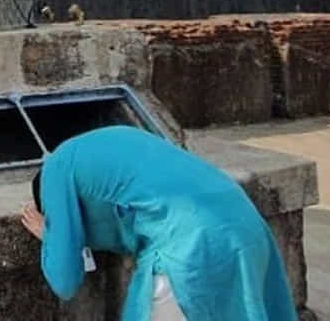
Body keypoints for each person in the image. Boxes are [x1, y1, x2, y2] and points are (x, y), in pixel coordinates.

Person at [19, 125, 298, 320]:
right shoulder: (117, 137)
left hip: (191, 244)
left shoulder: (56, 167)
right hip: (246, 224)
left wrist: (52, 236)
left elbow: (65, 280)